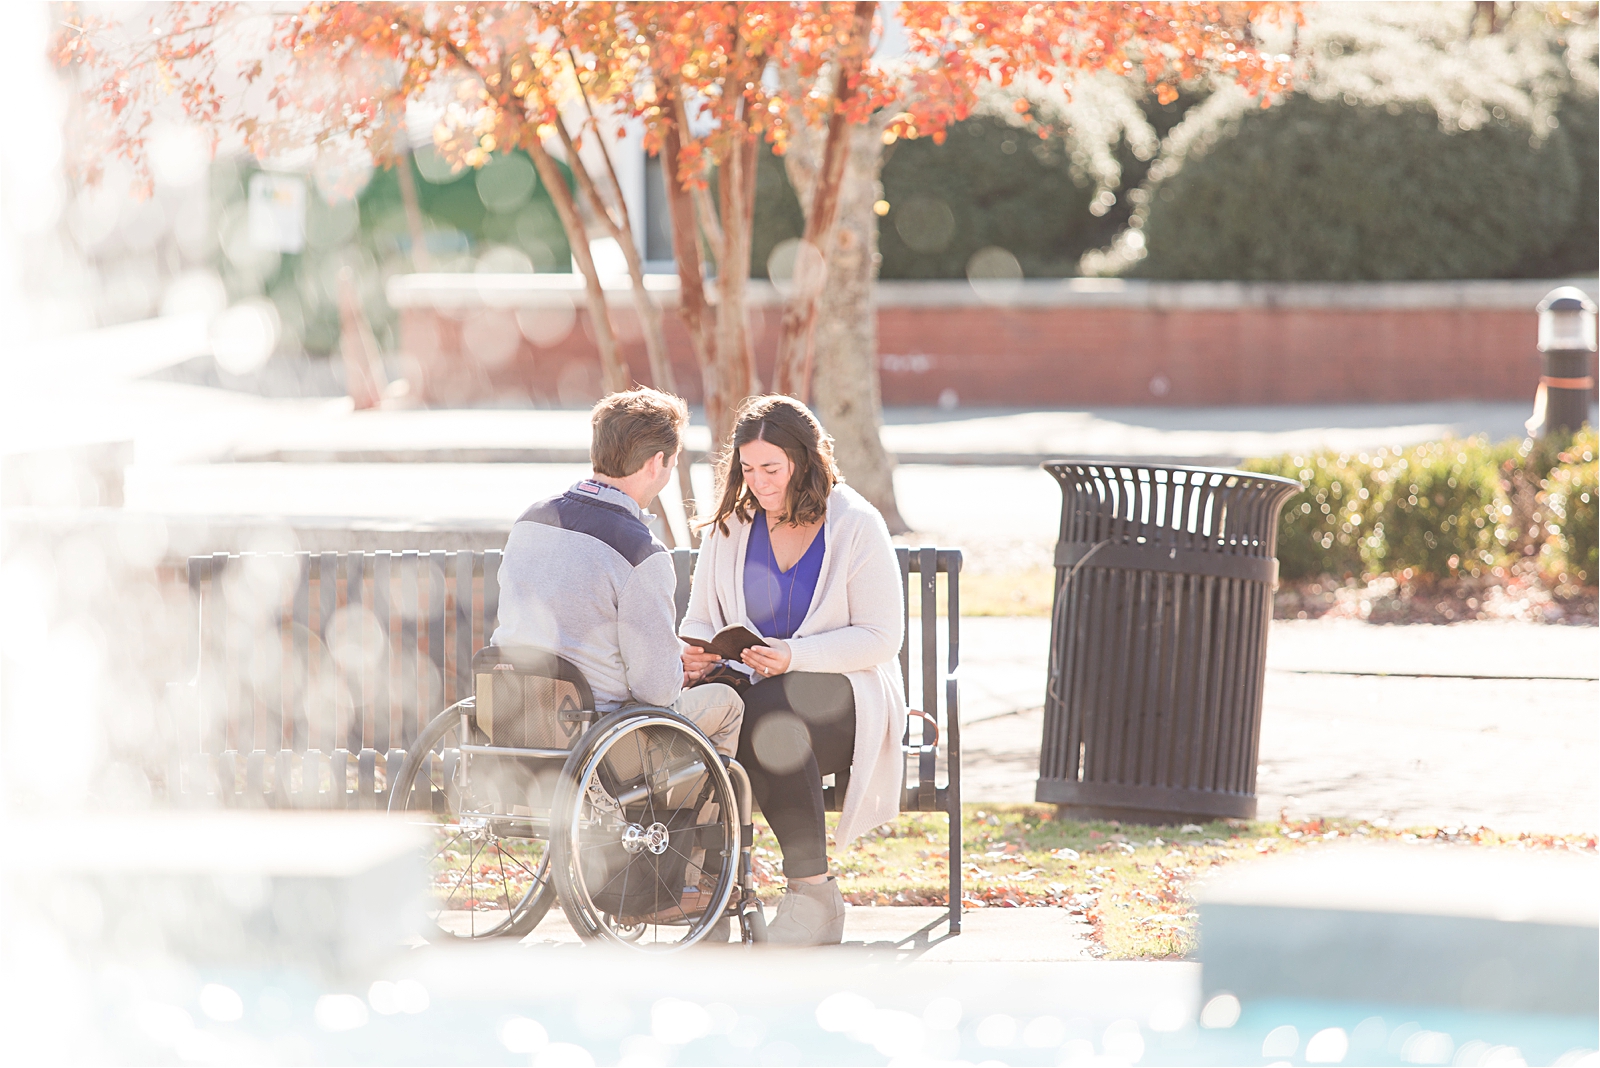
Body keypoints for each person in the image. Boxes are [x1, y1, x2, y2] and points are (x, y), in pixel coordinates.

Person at [680, 395, 906, 946]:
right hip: (757, 702)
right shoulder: (731, 527)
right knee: (745, 717)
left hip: (846, 704)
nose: (759, 482)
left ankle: (814, 894)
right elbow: (700, 618)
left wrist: (793, 656)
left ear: (804, 460)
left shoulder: (855, 523)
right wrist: (694, 654)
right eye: (748, 469)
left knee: (770, 716)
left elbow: (880, 638)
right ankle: (712, 891)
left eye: (772, 469)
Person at [493, 386, 743, 758]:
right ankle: (695, 813)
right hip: (598, 739)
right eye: (673, 464)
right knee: (726, 702)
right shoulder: (639, 553)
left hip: (516, 720)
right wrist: (676, 672)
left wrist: (671, 656)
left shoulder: (531, 520)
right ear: (656, 463)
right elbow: (656, 693)